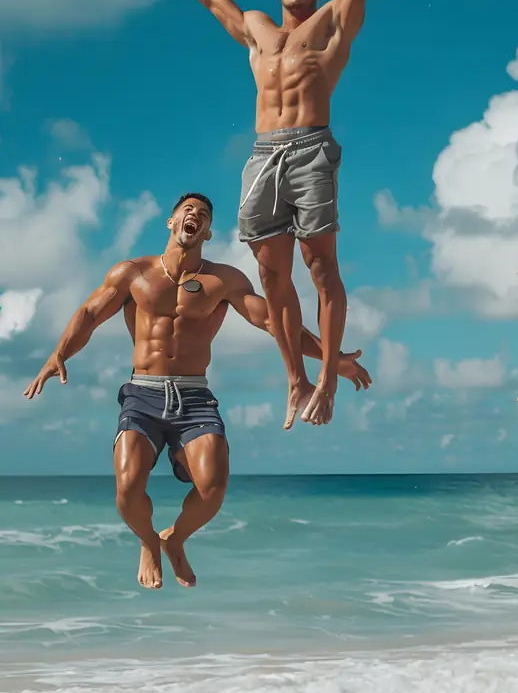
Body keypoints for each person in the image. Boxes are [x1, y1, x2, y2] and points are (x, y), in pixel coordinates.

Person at [143, 0, 414, 430]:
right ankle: (297, 379)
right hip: (263, 154)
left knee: (320, 265)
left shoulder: (333, 24)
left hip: (311, 149)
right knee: (270, 276)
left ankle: (328, 387)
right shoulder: (258, 28)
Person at [23, 194, 372, 590]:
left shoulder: (223, 280)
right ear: (170, 222)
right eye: (187, 210)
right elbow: (89, 313)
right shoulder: (132, 273)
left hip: (194, 398)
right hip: (144, 393)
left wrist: (332, 358)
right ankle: (149, 541)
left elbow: (274, 322)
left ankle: (175, 540)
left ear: (207, 232)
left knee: (213, 488)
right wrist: (59, 353)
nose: (195, 214)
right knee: (127, 489)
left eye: (203, 214)